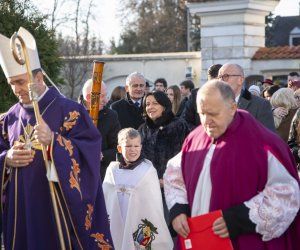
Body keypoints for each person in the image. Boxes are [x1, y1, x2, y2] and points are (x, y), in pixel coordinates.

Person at [0, 27, 113, 249]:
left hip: (57, 213)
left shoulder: (70, 111)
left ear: (39, 77)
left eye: (21, 82)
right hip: (21, 211)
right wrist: (6, 159)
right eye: (11, 83)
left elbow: (89, 151)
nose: (16, 90)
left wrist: (55, 142)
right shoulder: (9, 118)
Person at [164, 80, 300, 250]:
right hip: (198, 241)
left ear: (232, 108)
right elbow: (175, 174)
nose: (207, 121)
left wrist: (240, 218)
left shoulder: (263, 144)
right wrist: (178, 209)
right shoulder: (194, 139)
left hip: (244, 241)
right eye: (202, 113)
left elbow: (287, 195)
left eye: (213, 114)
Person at [102, 128, 173, 250]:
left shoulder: (147, 171)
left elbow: (153, 206)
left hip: (138, 223)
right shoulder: (112, 171)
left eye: (136, 146)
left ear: (141, 147)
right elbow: (105, 199)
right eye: (128, 146)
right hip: (115, 223)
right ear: (119, 148)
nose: (133, 150)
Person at [138, 91, 190, 223]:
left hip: (173, 191)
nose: (150, 107)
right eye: (147, 104)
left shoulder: (178, 125)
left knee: (170, 231)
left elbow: (184, 157)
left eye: (155, 103)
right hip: (148, 189)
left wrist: (165, 180)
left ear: (165, 105)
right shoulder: (143, 129)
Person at [81, 79, 121, 180]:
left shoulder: (111, 116)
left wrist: (101, 155)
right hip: (78, 173)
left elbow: (118, 147)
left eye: (106, 95)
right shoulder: (73, 114)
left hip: (102, 175)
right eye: (102, 96)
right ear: (88, 97)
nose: (106, 100)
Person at [218, 63, 275, 131]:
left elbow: (268, 138)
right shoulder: (214, 104)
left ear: (240, 80)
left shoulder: (260, 105)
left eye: (225, 76)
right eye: (219, 77)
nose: (221, 81)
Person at [181, 64, 222, 129]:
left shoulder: (229, 95)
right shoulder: (196, 94)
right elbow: (185, 120)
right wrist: (201, 133)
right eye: (211, 83)